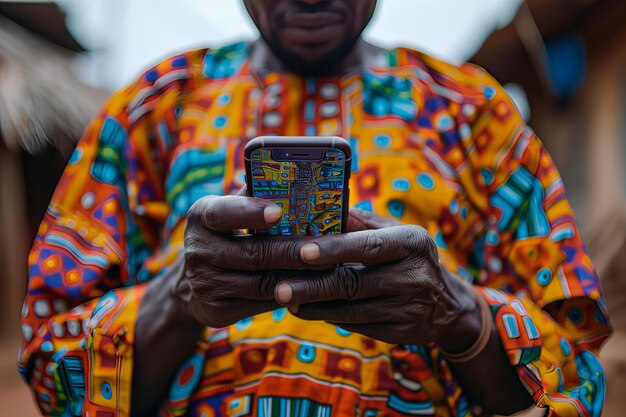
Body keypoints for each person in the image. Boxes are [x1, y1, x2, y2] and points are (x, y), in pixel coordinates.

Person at [19, 1, 611, 416]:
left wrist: (460, 316)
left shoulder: (475, 117)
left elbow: (572, 371)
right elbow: (52, 370)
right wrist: (177, 301)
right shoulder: (153, 110)